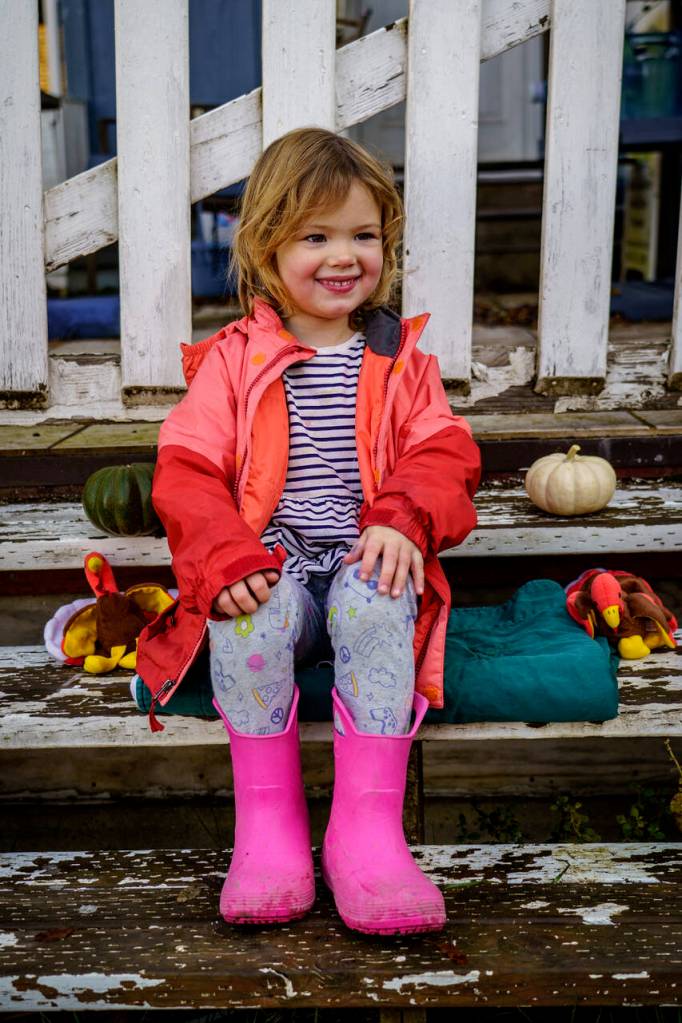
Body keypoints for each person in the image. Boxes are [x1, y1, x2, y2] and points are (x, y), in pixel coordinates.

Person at [136, 127, 481, 936]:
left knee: (377, 598)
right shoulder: (232, 361)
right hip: (274, 571)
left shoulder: (400, 359)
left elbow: (443, 453)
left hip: (365, 564)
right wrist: (223, 558)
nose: (343, 256)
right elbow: (185, 470)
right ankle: (270, 834)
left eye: (363, 235)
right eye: (316, 236)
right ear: (265, 249)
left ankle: (367, 837)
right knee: (243, 615)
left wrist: (403, 519)